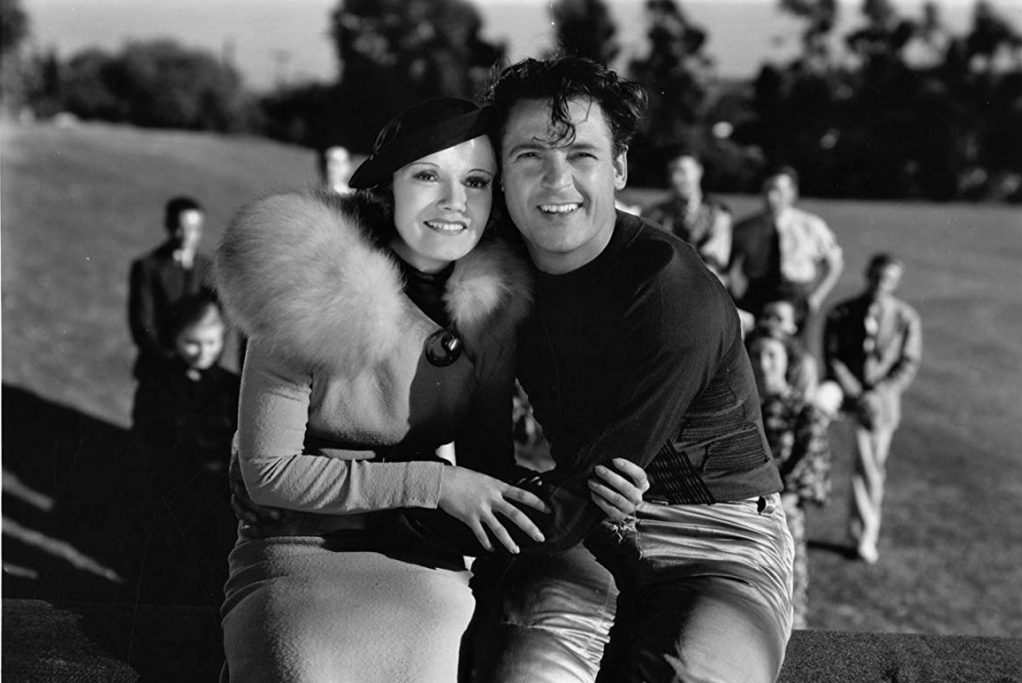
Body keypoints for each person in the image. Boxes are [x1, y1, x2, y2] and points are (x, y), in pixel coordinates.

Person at [215, 98, 647, 683]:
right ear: (387, 188)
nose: (453, 202)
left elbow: (487, 470)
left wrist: (596, 498)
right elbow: (269, 472)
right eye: (427, 176)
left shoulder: (489, 305)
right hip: (298, 545)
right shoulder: (305, 280)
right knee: (300, 663)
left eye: (476, 181)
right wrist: (435, 483)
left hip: (418, 550)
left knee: (440, 646)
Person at [469, 56, 794, 683]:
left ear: (618, 167)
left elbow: (579, 498)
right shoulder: (495, 270)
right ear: (500, 171)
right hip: (583, 527)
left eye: (582, 155)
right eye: (530, 155)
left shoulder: (669, 289)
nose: (556, 180)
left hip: (717, 540)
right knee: (526, 672)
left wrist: (452, 506)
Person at [131, 292, 239, 605]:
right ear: (175, 337)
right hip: (169, 494)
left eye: (211, 342)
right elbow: (147, 439)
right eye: (192, 342)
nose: (203, 352)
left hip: (217, 499)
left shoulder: (230, 389)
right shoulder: (157, 384)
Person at [823, 252, 922, 564]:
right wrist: (855, 391)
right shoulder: (843, 312)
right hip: (845, 393)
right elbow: (833, 357)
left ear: (896, 283)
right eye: (877, 277)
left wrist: (876, 394)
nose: (881, 284)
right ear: (868, 275)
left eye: (889, 279)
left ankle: (863, 537)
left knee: (869, 468)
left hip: (880, 401)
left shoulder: (906, 318)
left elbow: (907, 364)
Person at [746, 327, 833, 629]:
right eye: (756, 355)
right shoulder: (738, 410)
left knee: (788, 615)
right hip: (736, 522)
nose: (763, 364)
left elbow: (806, 477)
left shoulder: (804, 413)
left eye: (772, 354)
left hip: (781, 525)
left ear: (788, 360)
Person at [728, 166, 844, 338]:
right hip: (757, 296)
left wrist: (816, 297)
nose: (771, 197)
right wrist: (734, 300)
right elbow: (727, 268)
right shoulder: (744, 229)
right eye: (767, 190)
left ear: (792, 193)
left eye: (778, 191)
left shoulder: (811, 226)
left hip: (796, 297)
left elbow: (834, 264)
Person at [128, 195, 214, 378]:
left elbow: (217, 324)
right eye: (181, 228)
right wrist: (172, 363)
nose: (188, 236)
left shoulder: (208, 269)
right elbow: (142, 324)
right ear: (169, 225)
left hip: (200, 372)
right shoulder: (148, 267)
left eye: (195, 229)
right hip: (159, 369)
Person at [642, 144, 732, 283]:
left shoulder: (717, 213)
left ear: (699, 171)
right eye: (672, 172)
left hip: (706, 283)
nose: (676, 178)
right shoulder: (655, 214)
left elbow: (715, 259)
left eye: (682, 171)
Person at [757, 298, 820, 400]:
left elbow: (804, 402)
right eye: (766, 317)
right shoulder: (746, 351)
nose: (770, 323)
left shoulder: (804, 364)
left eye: (779, 319)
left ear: (793, 327)